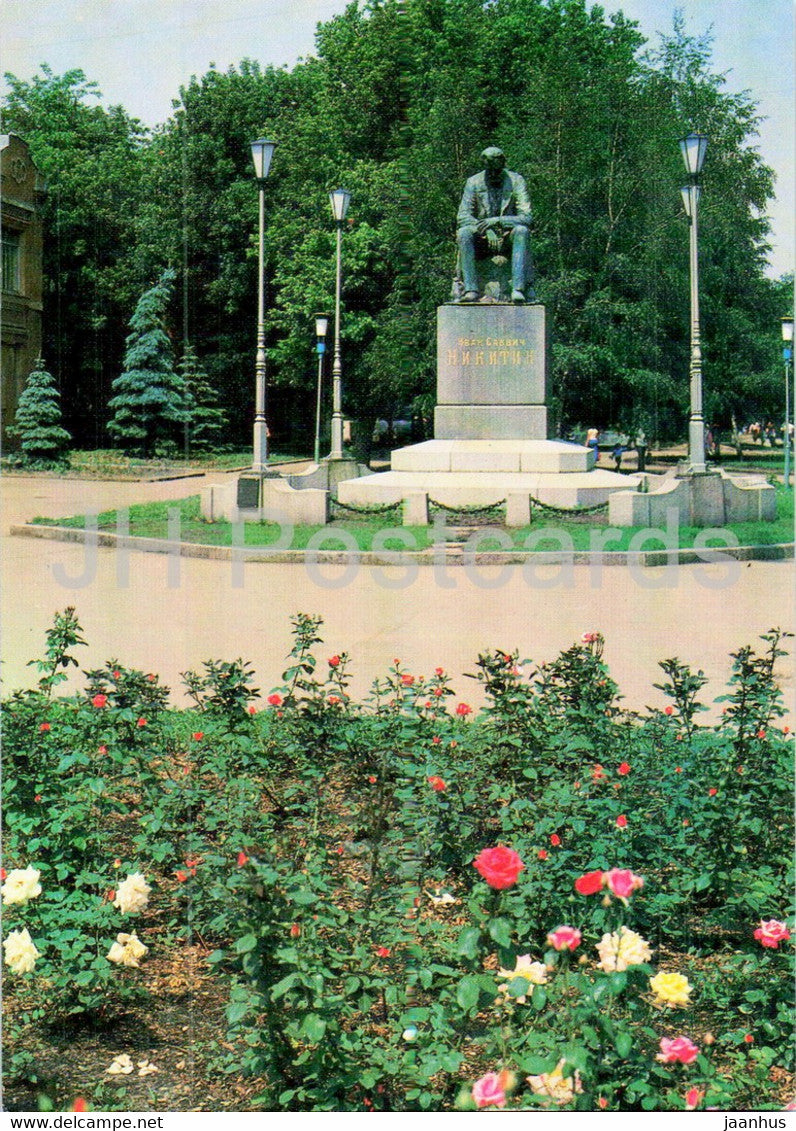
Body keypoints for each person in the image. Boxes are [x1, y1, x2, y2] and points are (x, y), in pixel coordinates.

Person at [456, 147, 535, 303]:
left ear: (503, 164)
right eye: (489, 169)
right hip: (483, 240)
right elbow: (462, 216)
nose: (493, 174)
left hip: (508, 238)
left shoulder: (516, 181)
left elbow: (527, 217)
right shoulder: (473, 182)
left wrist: (497, 221)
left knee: (522, 230)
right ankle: (471, 289)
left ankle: (518, 289)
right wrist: (487, 229)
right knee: (464, 232)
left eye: (496, 169)